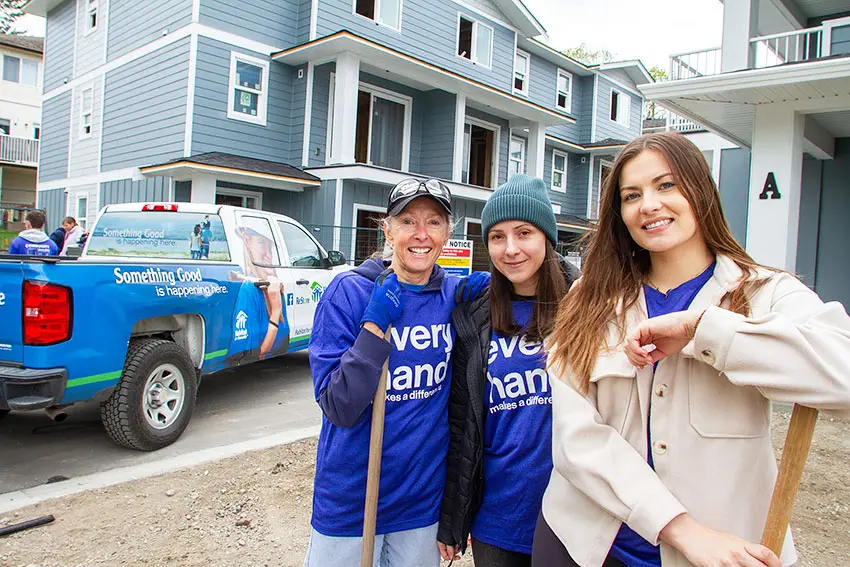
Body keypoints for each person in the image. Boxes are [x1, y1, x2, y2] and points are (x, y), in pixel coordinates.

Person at [536, 131, 850, 567]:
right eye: (631, 195)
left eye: (667, 185)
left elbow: (844, 376)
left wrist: (704, 331)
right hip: (586, 544)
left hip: (726, 554)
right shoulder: (590, 298)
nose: (649, 204)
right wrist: (682, 529)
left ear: (700, 190)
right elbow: (575, 438)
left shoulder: (764, 293)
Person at [305, 178, 486, 567]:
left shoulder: (453, 295)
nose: (421, 235)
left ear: (448, 233)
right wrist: (373, 328)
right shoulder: (349, 292)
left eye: (434, 222)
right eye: (408, 221)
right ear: (387, 229)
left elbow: (533, 278)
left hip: (421, 506)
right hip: (352, 501)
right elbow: (339, 407)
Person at [437, 175, 580, 567]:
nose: (511, 249)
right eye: (497, 237)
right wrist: (453, 518)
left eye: (524, 233)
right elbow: (461, 423)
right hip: (497, 521)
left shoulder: (585, 307)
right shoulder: (475, 312)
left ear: (546, 238)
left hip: (572, 516)